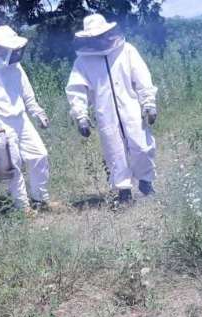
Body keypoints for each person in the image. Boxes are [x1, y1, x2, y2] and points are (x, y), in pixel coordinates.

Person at [66, 14, 159, 204]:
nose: (98, 40)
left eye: (100, 36)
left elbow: (142, 77)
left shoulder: (127, 51)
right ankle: (123, 190)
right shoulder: (82, 62)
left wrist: (148, 103)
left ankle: (145, 181)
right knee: (114, 151)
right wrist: (81, 116)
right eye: (93, 38)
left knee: (141, 146)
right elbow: (77, 90)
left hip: (131, 107)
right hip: (105, 112)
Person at [0, 25, 56, 214]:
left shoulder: (16, 67)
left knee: (39, 154)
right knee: (14, 164)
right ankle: (23, 207)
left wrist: (38, 113)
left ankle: (40, 199)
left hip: (21, 118)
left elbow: (28, 95)